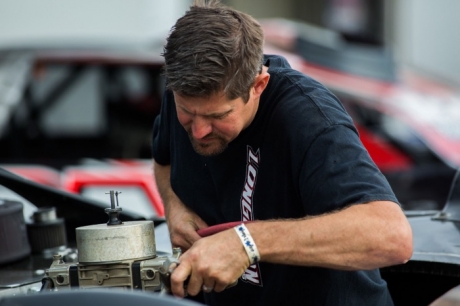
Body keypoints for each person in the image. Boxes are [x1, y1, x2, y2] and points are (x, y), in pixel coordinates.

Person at [151, 0, 413, 305]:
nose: (198, 131)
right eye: (187, 112)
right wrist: (175, 209)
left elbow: (392, 236)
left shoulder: (309, 119)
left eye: (218, 116)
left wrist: (246, 243)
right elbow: (163, 159)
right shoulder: (183, 94)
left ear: (259, 85)